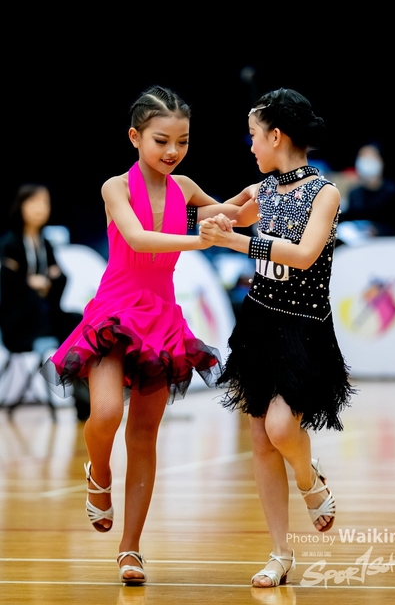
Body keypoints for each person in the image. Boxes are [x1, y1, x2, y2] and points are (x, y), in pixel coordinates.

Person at [39, 85, 251, 585]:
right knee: (105, 413)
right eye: (161, 140)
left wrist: (259, 196)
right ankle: (98, 473)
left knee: (144, 436)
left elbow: (236, 217)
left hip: (162, 319)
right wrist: (201, 238)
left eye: (183, 141)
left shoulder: (186, 188)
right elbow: (137, 238)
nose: (173, 151)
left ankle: (130, 548)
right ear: (135, 137)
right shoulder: (116, 187)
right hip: (114, 312)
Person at [199, 88, 356, 588]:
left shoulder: (325, 193)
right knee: (260, 440)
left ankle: (309, 478)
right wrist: (173, 200)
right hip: (260, 322)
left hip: (303, 327)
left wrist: (237, 240)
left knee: (282, 428)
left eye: (253, 136)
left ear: (276, 136)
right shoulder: (262, 190)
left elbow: (304, 254)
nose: (250, 146)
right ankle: (280, 554)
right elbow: (215, 218)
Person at [0, 184, 90, 421]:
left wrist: (43, 282)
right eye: (33, 202)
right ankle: (78, 393)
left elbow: (60, 278)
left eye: (44, 202)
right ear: (21, 206)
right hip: (19, 325)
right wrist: (31, 283)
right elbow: (9, 283)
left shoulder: (45, 243)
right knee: (53, 321)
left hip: (44, 317)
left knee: (78, 322)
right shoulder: (10, 243)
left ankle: (83, 395)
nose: (40, 208)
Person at [336, 143, 395, 245]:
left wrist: (377, 230)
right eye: (363, 157)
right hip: (356, 244)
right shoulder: (354, 192)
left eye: (371, 157)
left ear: (380, 161)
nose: (367, 162)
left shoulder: (391, 191)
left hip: (384, 243)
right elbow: (349, 218)